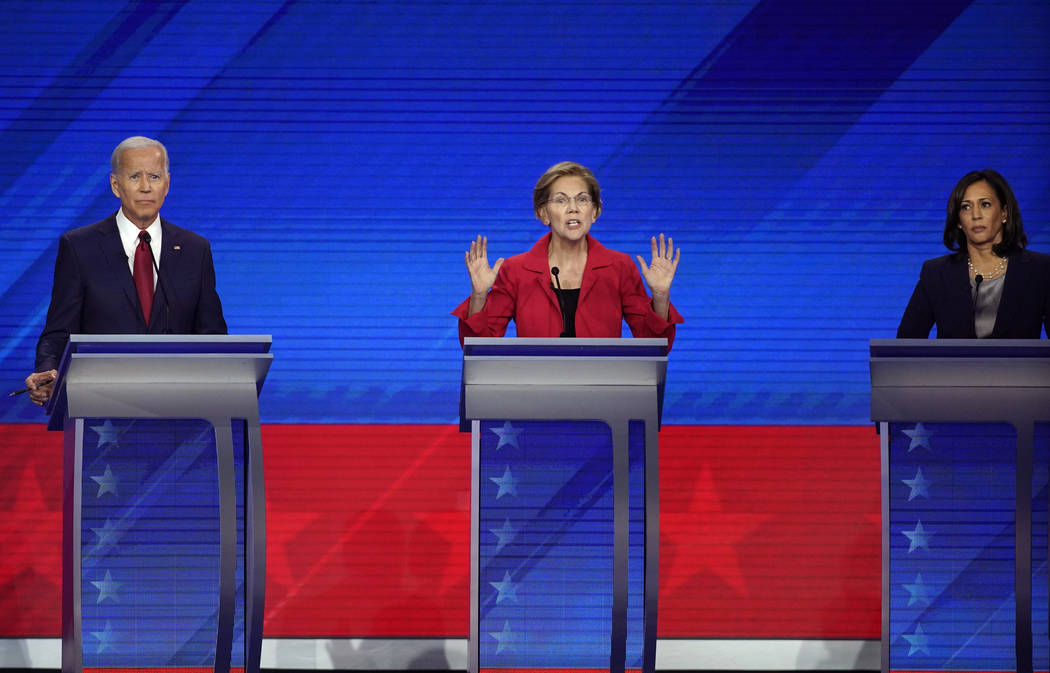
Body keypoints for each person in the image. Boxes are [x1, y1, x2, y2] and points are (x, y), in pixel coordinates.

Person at [23, 136, 227, 406]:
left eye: (154, 176)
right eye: (134, 177)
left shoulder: (194, 249)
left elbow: (212, 337)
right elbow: (59, 330)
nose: (145, 187)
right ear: (116, 186)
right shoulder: (79, 247)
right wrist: (47, 370)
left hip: (180, 410)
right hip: (101, 410)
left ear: (167, 184)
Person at [452, 161, 683, 348]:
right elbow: (480, 347)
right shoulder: (515, 270)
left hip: (604, 394)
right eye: (561, 200)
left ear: (595, 211)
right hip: (535, 396)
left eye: (582, 199)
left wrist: (661, 296)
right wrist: (479, 295)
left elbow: (653, 346)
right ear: (543, 214)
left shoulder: (619, 267)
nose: (573, 208)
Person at [897, 169, 1050, 339]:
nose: (976, 215)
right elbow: (906, 343)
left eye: (985, 204)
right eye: (966, 207)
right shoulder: (936, 273)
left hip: (1019, 367)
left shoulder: (1040, 270)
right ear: (958, 221)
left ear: (1004, 213)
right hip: (953, 367)